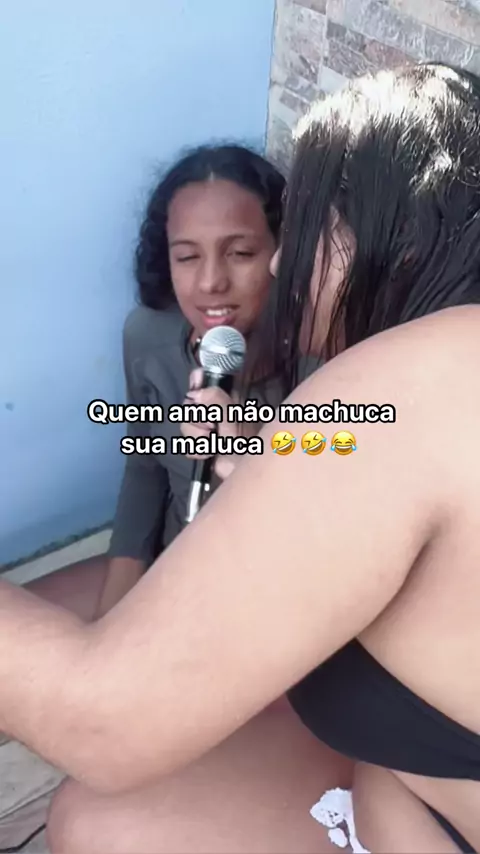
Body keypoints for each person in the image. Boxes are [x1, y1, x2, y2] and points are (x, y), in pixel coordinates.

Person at [0, 60, 479, 854]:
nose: (285, 268)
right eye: (186, 255)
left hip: (423, 815)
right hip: (399, 785)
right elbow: (151, 473)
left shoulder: (393, 379)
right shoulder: (427, 375)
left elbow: (106, 718)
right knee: (90, 815)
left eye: (311, 228)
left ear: (401, 236)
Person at [25, 143, 286, 620]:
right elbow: (144, 470)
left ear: (281, 254)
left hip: (269, 591)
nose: (210, 282)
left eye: (240, 253)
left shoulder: (324, 365)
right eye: (187, 257)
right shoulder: (147, 336)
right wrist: (115, 613)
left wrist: (260, 458)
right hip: (174, 562)